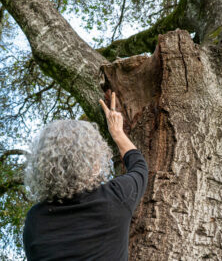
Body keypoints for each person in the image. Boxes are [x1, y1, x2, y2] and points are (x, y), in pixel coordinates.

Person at [23, 92, 148, 260]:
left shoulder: (34, 220)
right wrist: (117, 132)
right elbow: (139, 166)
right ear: (93, 162)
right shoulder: (116, 197)